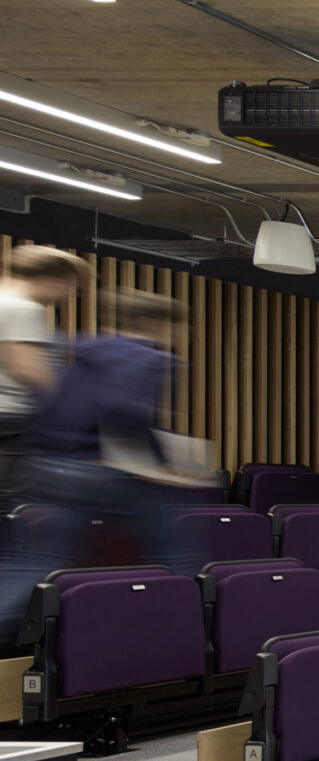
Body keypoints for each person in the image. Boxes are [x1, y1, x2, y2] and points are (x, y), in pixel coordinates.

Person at [0, 291, 200, 642]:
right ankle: (188, 630)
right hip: (100, 472)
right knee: (171, 549)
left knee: (42, 562)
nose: (180, 335)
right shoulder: (146, 357)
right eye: (179, 327)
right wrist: (161, 468)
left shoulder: (86, 351)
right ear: (156, 324)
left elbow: (48, 399)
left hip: (48, 465)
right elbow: (122, 409)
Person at [0, 244, 85, 507]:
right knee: (13, 502)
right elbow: (26, 367)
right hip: (11, 418)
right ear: (53, 279)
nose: (65, 295)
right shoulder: (25, 308)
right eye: (68, 287)